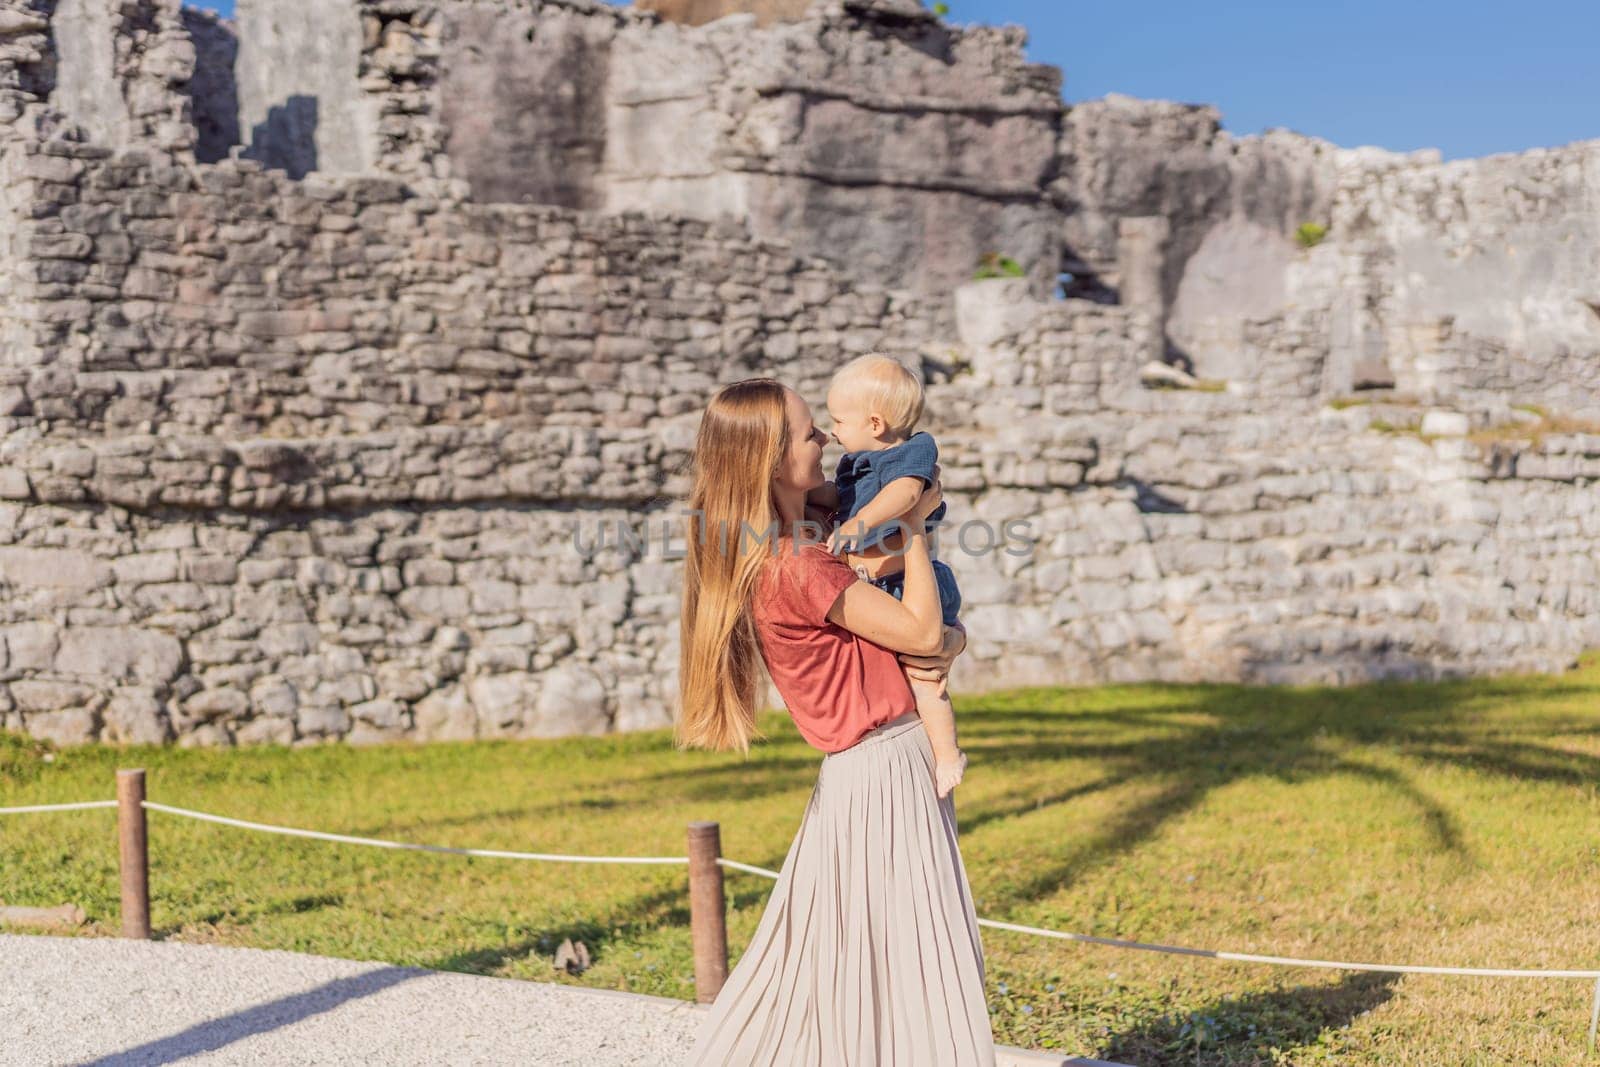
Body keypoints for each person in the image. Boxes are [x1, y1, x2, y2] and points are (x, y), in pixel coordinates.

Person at [675, 378, 996, 1065]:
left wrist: (910, 495)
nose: (822, 439)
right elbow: (920, 631)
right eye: (805, 432)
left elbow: (906, 477)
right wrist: (913, 534)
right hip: (884, 766)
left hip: (862, 772)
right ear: (770, 460)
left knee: (850, 961)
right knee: (915, 957)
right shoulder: (799, 566)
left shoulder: (793, 542)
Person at [810, 352, 968, 799]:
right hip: (883, 583)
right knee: (903, 672)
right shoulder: (853, 463)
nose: (832, 430)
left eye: (839, 420)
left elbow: (904, 495)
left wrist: (859, 525)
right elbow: (837, 495)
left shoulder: (912, 452)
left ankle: (947, 753)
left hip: (915, 585)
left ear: (875, 423)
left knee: (925, 676)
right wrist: (807, 497)